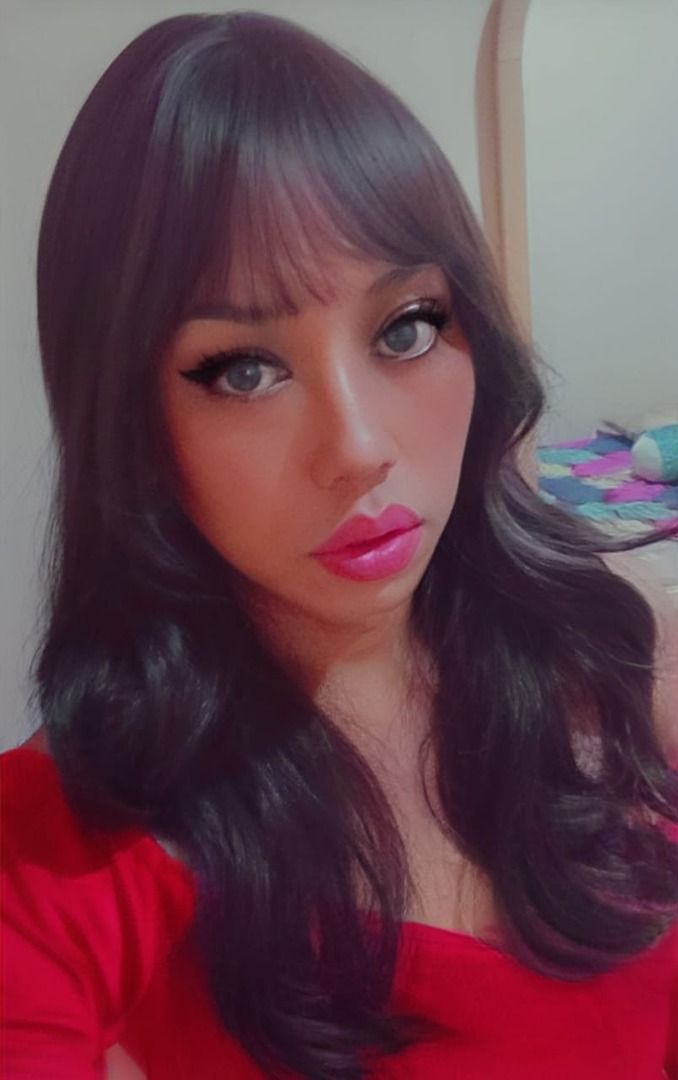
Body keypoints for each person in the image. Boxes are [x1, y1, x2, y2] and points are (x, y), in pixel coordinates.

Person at [2, 11, 678, 1079]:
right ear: (129, 419)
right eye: (243, 370)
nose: (358, 449)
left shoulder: (617, 644)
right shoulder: (60, 849)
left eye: (406, 327)